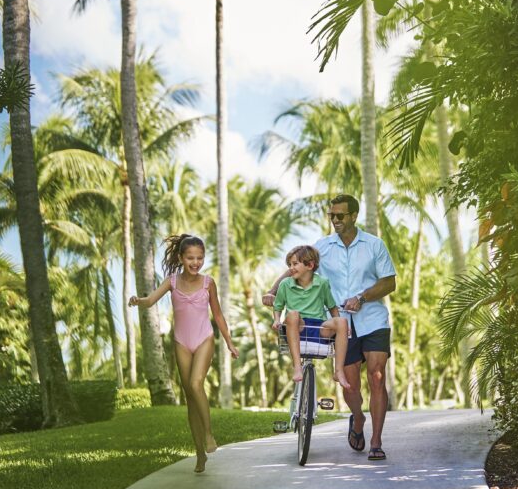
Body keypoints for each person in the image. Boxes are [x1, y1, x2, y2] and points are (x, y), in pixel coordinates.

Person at [264, 195, 396, 461]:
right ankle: (357, 419)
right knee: (351, 387)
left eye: (340, 216)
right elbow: (296, 269)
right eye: (331, 216)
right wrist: (273, 290)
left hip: (372, 320)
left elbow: (389, 282)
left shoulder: (374, 245)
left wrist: (362, 297)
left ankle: (376, 442)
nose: (334, 220)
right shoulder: (322, 247)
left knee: (377, 375)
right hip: (340, 325)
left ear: (354, 216)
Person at [129, 233, 239, 473]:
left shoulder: (208, 283)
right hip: (181, 342)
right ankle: (200, 453)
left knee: (196, 382)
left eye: (200, 258)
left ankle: (209, 435)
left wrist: (229, 342)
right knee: (190, 398)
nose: (195, 262)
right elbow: (150, 301)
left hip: (204, 339)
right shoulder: (172, 282)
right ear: (181, 258)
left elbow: (218, 315)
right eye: (190, 258)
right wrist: (138, 300)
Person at [272, 245, 351, 391]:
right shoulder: (285, 284)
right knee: (293, 314)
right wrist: (277, 319)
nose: (291, 267)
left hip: (318, 328)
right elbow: (278, 307)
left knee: (342, 321)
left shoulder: (322, 283)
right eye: (290, 264)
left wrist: (343, 327)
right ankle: (297, 366)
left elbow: (332, 308)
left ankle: (339, 371)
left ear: (310, 265)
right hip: (297, 327)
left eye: (295, 264)